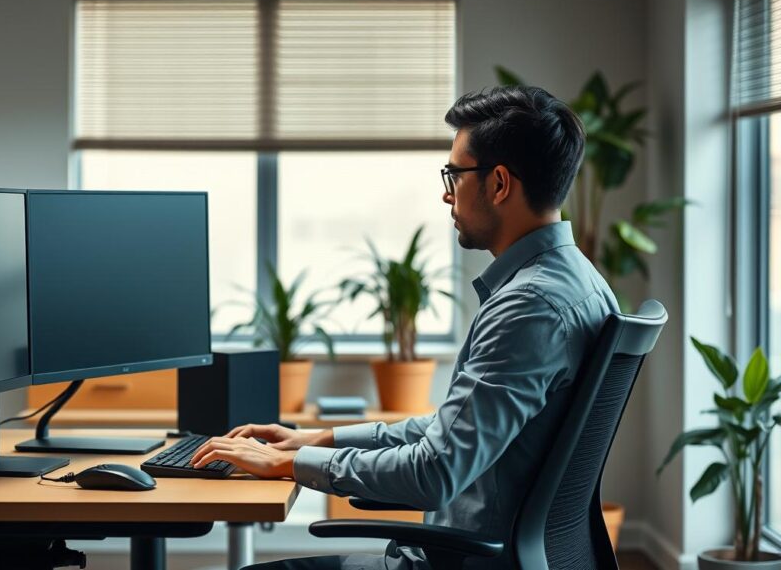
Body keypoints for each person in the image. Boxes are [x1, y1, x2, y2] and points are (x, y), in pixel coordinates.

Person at [190, 86, 619, 570]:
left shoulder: (529, 307)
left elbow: (435, 471)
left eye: (454, 174)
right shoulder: (582, 283)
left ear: (499, 184)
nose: (446, 191)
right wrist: (321, 440)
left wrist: (288, 464)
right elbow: (449, 432)